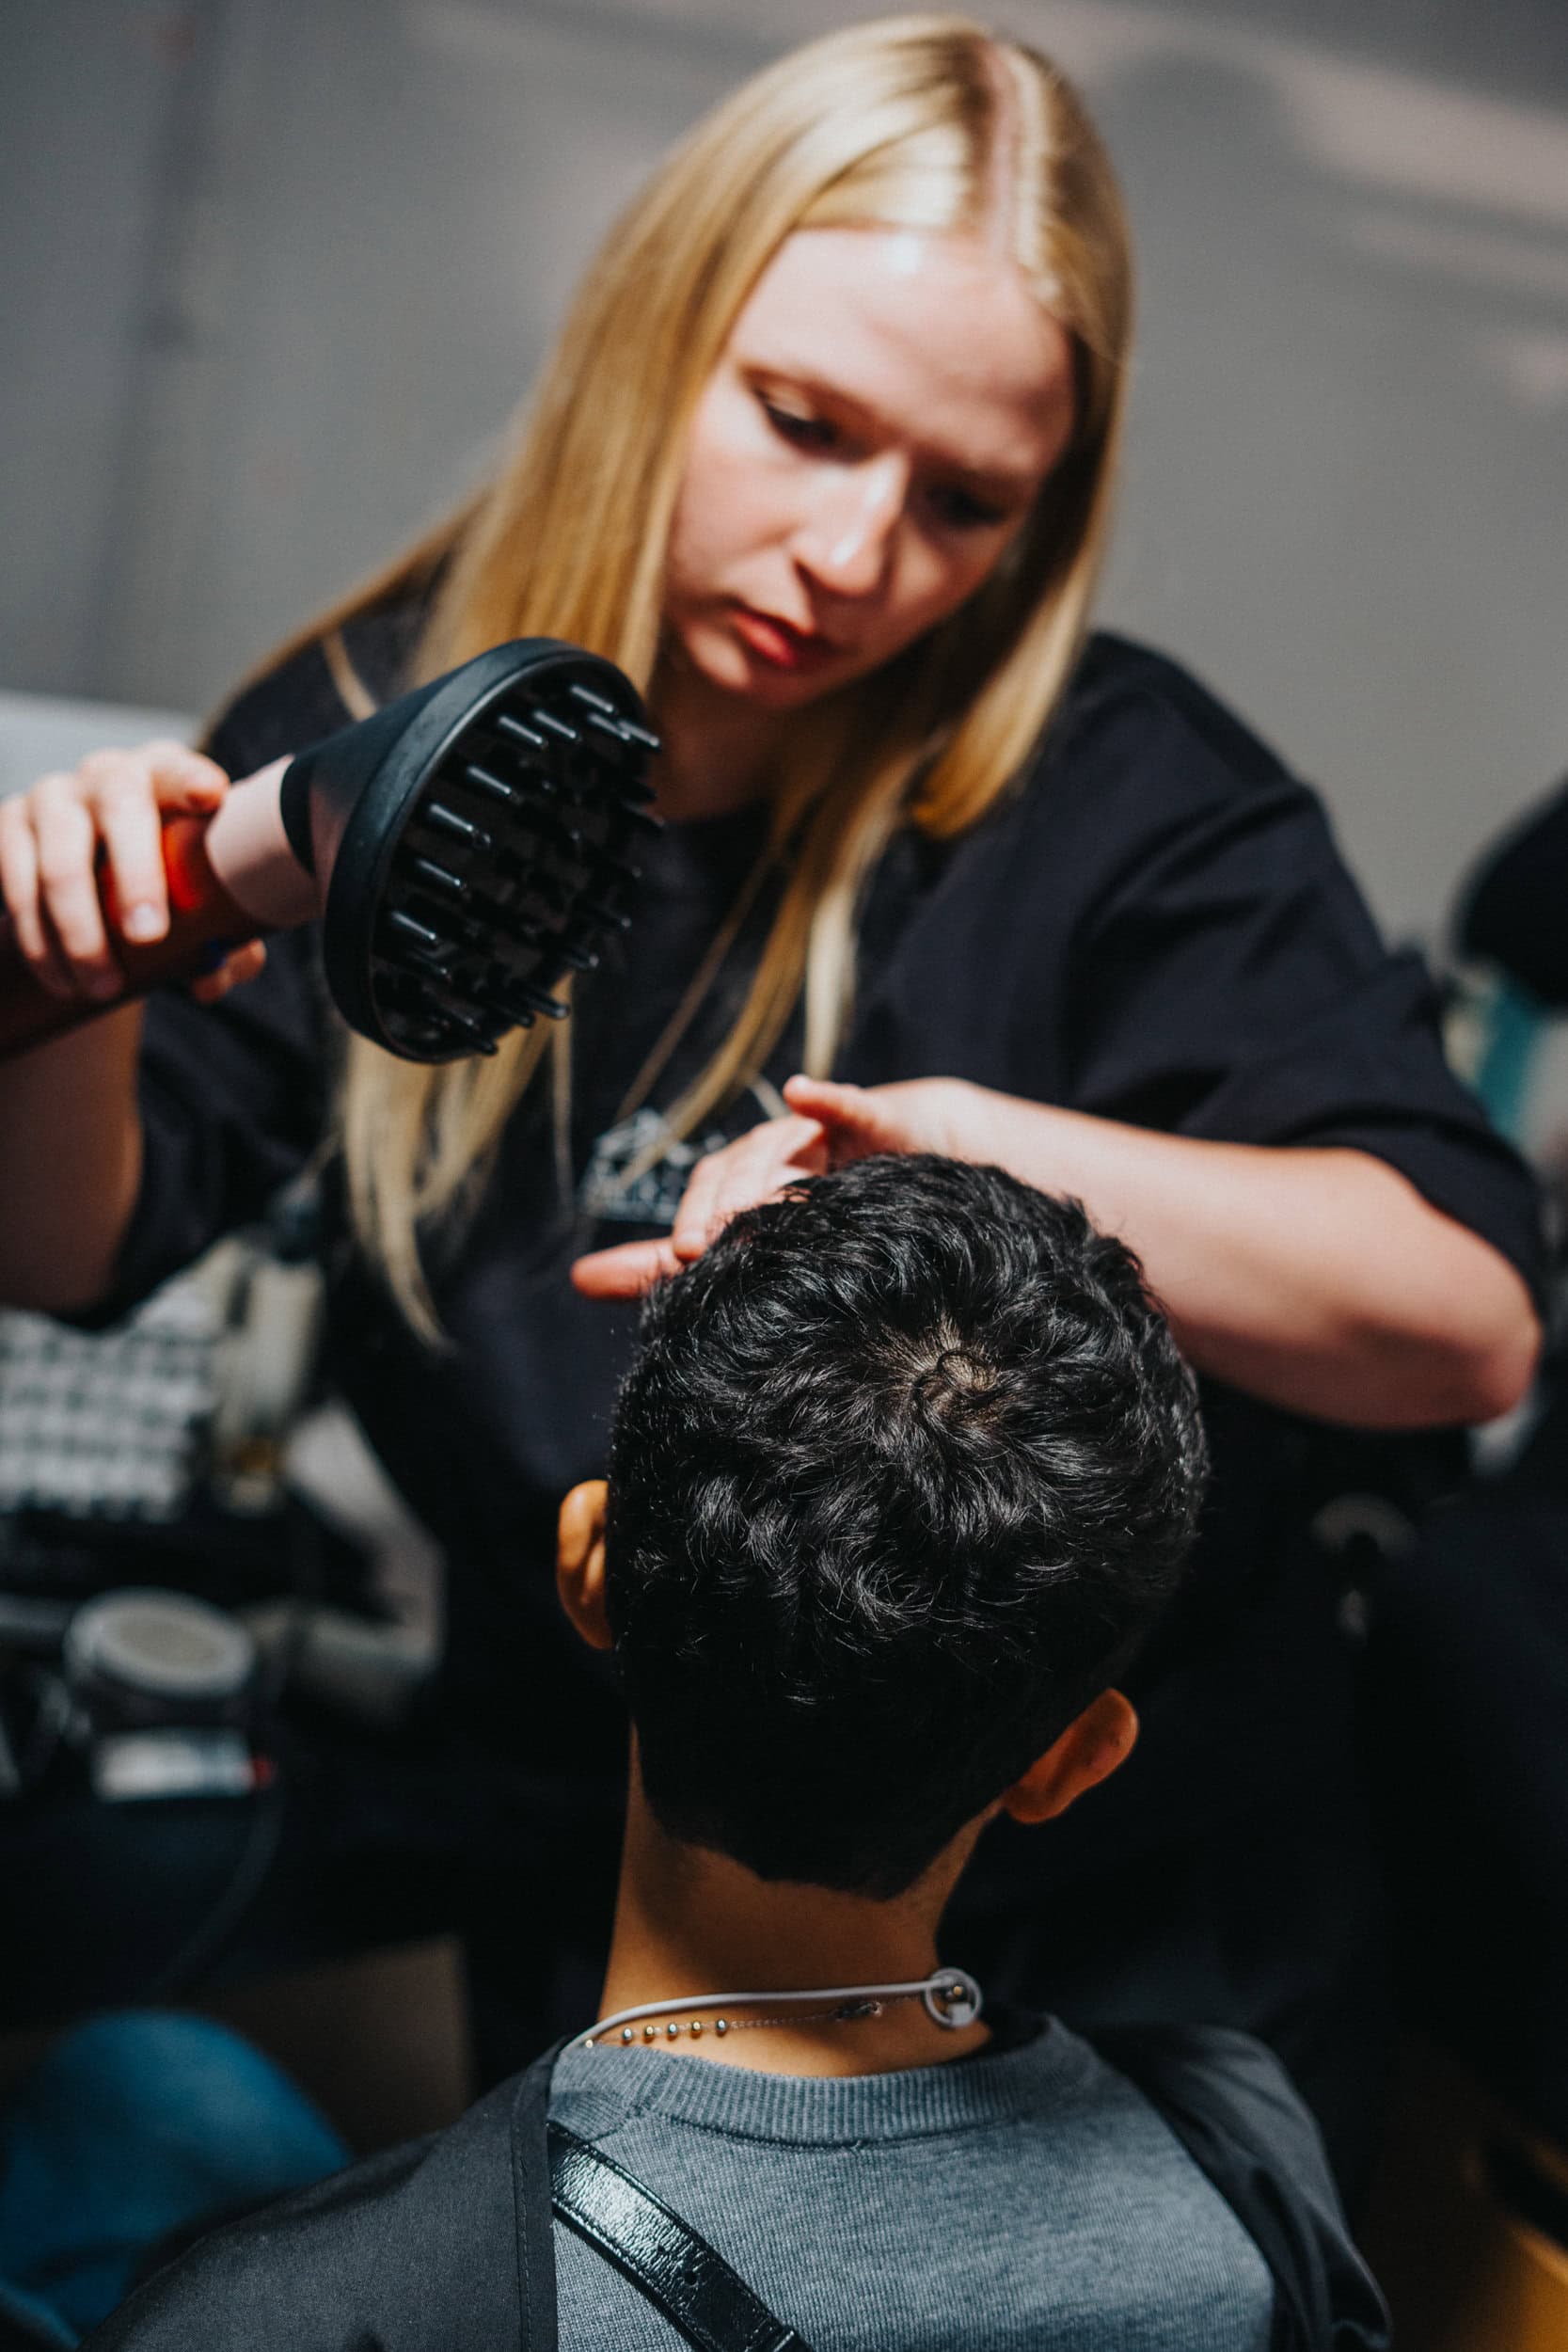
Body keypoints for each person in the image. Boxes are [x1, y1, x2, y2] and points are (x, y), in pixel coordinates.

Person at [0, 16, 1543, 2176]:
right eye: (803, 424)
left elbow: (1462, 1316)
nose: (855, 554)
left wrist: (975, 1153)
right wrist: (69, 977)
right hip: (636, 1932)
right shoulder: (397, 734)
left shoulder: (1119, 796)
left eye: (964, 501)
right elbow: (73, 1240)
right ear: (658, 333)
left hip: (1130, 1978)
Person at [85, 1157, 1387, 2351]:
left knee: (132, 2087)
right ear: (1069, 1761)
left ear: (590, 1569)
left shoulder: (280, 2321)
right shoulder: (1244, 2163)